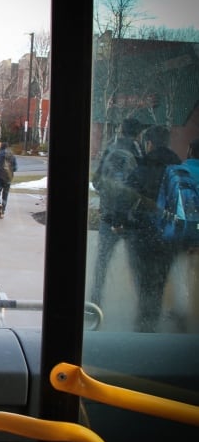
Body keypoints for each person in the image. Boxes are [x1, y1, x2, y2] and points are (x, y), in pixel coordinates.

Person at [121, 124, 182, 332]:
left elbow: (126, 198)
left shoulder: (143, 167)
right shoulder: (177, 168)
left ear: (149, 144)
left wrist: (119, 221)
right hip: (170, 236)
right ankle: (152, 316)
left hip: (143, 234)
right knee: (159, 280)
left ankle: (145, 322)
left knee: (143, 280)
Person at [90, 117, 144, 306]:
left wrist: (107, 196)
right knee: (136, 264)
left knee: (102, 262)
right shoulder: (139, 153)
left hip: (108, 215)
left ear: (121, 130)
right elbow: (141, 186)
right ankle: (143, 304)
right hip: (130, 218)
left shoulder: (110, 150)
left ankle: (95, 302)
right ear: (138, 133)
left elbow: (96, 182)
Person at [0, 142, 18, 218]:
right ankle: (3, 212)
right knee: (5, 194)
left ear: (1, 147)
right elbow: (15, 168)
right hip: (8, 178)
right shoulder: (12, 156)